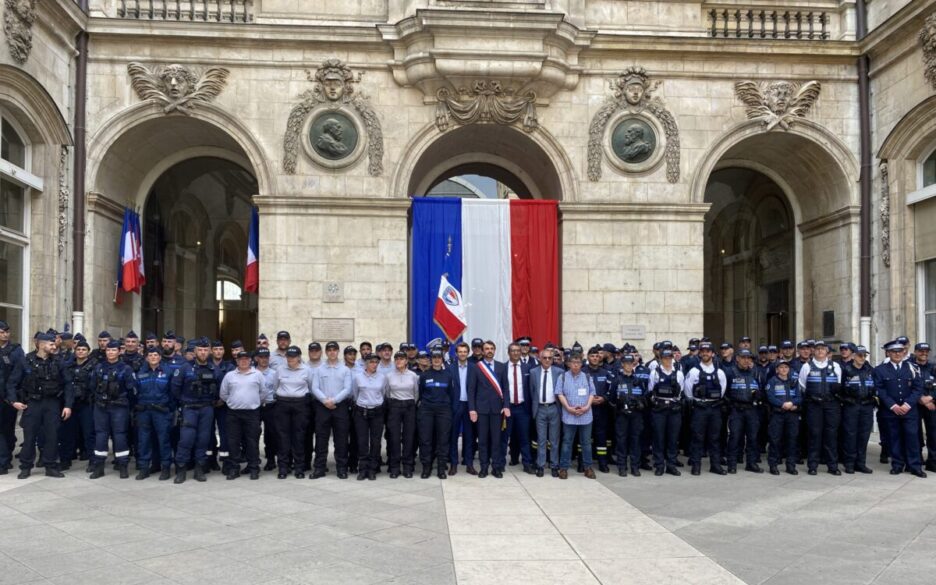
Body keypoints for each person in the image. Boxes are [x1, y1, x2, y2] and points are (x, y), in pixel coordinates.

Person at [6, 332, 72, 478]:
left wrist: (68, 405)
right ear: (41, 344)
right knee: (29, 436)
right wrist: (14, 401)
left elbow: (68, 384)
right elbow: (12, 383)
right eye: (51, 344)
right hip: (33, 403)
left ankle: (51, 465)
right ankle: (26, 467)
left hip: (52, 403)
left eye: (54, 344)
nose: (54, 347)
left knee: (52, 435)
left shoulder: (58, 361)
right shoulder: (25, 361)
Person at [873, 341, 926, 477]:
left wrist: (907, 405)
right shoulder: (880, 370)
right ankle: (897, 465)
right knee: (894, 438)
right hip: (891, 411)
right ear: (888, 353)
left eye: (899, 351)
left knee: (912, 438)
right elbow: (880, 390)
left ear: (904, 352)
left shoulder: (913, 368)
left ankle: (914, 466)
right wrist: (893, 406)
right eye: (893, 351)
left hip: (910, 410)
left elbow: (918, 388)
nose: (897, 354)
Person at [173, 339, 222, 484]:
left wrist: (216, 401)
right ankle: (181, 469)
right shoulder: (185, 368)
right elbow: (175, 388)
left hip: (207, 408)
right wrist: (183, 401)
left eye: (205, 350)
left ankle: (199, 469)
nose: (203, 352)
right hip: (189, 408)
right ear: (195, 351)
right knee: (186, 439)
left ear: (209, 352)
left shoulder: (215, 369)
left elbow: (221, 389)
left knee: (203, 440)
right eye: (200, 350)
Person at [219, 350, 272, 480]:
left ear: (250, 361)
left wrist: (253, 401)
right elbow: (223, 394)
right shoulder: (229, 375)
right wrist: (234, 401)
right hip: (233, 413)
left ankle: (254, 467)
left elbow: (263, 392)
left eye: (246, 359)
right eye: (240, 359)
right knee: (233, 442)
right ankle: (234, 468)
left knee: (252, 441)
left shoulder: (257, 374)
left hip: (252, 413)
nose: (243, 361)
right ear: (236, 361)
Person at [89, 339, 136, 479]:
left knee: (120, 435)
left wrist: (128, 406)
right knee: (101, 436)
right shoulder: (99, 367)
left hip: (119, 407)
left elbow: (131, 390)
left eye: (113, 350)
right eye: (108, 350)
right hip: (101, 407)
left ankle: (122, 466)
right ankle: (99, 467)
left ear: (119, 351)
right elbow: (92, 386)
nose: (110, 352)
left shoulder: (125, 368)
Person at [309, 341, 353, 479]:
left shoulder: (345, 370)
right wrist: (325, 401)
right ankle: (319, 468)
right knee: (321, 439)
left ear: (338, 351)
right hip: (322, 407)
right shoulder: (319, 370)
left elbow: (347, 389)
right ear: (326, 352)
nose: (332, 352)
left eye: (334, 350)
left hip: (340, 407)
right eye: (329, 350)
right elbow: (314, 388)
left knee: (341, 439)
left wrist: (334, 401)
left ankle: (341, 468)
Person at [798, 340, 843, 475]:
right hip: (814, 405)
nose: (820, 351)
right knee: (814, 435)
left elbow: (838, 384)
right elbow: (802, 386)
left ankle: (832, 466)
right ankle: (813, 465)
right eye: (817, 349)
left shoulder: (835, 366)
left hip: (831, 405)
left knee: (831, 435)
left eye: (823, 349)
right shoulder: (807, 366)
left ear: (827, 351)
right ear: (813, 351)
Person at [682, 342, 727, 475]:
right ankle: (696, 465)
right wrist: (698, 402)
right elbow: (688, 390)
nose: (705, 353)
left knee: (715, 438)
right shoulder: (694, 371)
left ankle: (715, 465)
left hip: (715, 408)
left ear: (713, 353)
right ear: (700, 353)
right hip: (699, 408)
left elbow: (722, 391)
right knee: (697, 437)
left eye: (708, 351)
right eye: (703, 351)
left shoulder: (720, 372)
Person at [468, 340, 510, 478]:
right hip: (482, 410)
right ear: (483, 350)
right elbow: (471, 389)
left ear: (495, 350)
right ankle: (484, 467)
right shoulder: (476, 367)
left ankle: (496, 467)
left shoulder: (501, 367)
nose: (489, 350)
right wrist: (472, 409)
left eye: (492, 348)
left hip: (497, 410)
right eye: (487, 348)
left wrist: (506, 406)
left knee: (496, 440)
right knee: (483, 441)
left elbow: (505, 388)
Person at [133, 347, 176, 481]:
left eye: (155, 355)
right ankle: (144, 468)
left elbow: (173, 393)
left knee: (163, 441)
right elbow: (134, 392)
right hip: (144, 411)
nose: (153, 357)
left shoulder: (168, 372)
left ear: (160, 357)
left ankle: (165, 468)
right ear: (146, 357)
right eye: (150, 355)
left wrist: (170, 409)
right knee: (143, 441)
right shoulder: (140, 372)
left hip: (161, 411)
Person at [273, 345, 314, 479]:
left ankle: (299, 468)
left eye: (293, 357)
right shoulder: (280, 369)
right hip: (283, 404)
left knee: (299, 437)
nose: (290, 359)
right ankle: (283, 468)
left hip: (300, 405)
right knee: (283, 437)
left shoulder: (307, 370)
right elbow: (275, 386)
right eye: (288, 357)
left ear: (299, 357)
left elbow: (311, 387)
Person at [556, 353, 596, 479]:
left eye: (578, 362)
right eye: (573, 362)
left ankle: (588, 468)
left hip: (585, 416)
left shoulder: (587, 377)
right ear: (568, 363)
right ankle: (563, 468)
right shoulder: (562, 377)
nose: (575, 365)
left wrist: (586, 407)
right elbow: (559, 393)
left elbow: (592, 394)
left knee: (586, 443)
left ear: (581, 364)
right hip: (569, 416)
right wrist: (568, 407)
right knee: (567, 442)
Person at [59, 338, 96, 472]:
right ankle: (65, 460)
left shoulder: (94, 366)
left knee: (89, 434)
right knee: (67, 433)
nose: (80, 352)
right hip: (70, 404)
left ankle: (93, 461)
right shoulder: (67, 365)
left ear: (88, 352)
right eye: (78, 349)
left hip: (86, 404)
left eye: (83, 350)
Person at [725, 349, 764, 474]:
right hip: (736, 410)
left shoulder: (755, 372)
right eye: (743, 357)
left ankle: (751, 463)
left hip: (752, 409)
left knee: (753, 437)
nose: (746, 360)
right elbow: (724, 392)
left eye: (749, 358)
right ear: (737, 358)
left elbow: (762, 390)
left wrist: (759, 395)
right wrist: (730, 405)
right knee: (734, 437)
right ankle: (732, 464)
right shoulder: (730, 372)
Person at [418, 349, 455, 479]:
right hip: (427, 410)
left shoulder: (448, 375)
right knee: (426, 440)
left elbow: (451, 393)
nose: (437, 359)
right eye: (434, 357)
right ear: (431, 359)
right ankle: (426, 468)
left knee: (443, 440)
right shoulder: (424, 375)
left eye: (439, 357)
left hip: (444, 410)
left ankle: (441, 469)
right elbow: (421, 393)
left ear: (442, 359)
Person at [648, 349, 685, 476]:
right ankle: (659, 465)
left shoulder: (679, 374)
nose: (668, 360)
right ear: (661, 359)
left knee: (673, 438)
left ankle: (671, 465)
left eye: (670, 357)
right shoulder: (655, 373)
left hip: (674, 409)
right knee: (658, 438)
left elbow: (681, 392)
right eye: (665, 357)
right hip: (659, 409)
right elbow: (651, 390)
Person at [352, 353, 389, 480]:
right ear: (366, 364)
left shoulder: (382, 377)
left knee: (375, 442)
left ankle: (372, 469)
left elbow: (384, 393)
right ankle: (362, 469)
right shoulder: (358, 377)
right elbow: (355, 394)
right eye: (371, 362)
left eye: (376, 362)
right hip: (361, 411)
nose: (374, 365)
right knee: (362, 442)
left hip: (377, 412)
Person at [840, 346, 876, 474]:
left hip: (866, 406)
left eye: (864, 356)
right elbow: (839, 389)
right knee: (850, 435)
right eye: (860, 355)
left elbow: (875, 387)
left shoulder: (869, 370)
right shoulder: (846, 370)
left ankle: (861, 463)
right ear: (854, 355)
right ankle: (849, 463)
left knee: (864, 435)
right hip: (852, 406)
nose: (862, 358)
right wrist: (846, 400)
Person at [610, 354, 647, 477]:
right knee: (621, 441)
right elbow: (611, 399)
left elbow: (645, 396)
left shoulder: (638, 380)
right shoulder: (617, 380)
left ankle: (635, 467)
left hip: (636, 415)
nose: (628, 366)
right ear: (622, 364)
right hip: (622, 415)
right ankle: (622, 467)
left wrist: (640, 403)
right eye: (626, 363)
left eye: (631, 363)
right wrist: (619, 405)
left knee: (635, 441)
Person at [530, 347, 563, 477]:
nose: (547, 360)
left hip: (554, 407)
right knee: (541, 439)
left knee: (554, 440)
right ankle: (541, 465)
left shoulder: (559, 372)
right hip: (540, 409)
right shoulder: (533, 372)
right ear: (540, 358)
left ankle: (555, 465)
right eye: (545, 358)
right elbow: (531, 391)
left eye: (550, 358)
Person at [764, 360, 801, 475]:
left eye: (786, 367)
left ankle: (790, 466)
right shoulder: (772, 381)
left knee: (792, 440)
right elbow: (770, 397)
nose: (784, 369)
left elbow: (800, 397)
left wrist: (792, 404)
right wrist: (782, 404)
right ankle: (773, 465)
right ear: (777, 370)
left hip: (792, 415)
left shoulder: (794, 382)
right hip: (777, 414)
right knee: (775, 440)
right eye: (781, 367)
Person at [385, 350, 418, 478]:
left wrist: (409, 403)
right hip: (394, 406)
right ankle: (394, 467)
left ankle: (407, 467)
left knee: (408, 437)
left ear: (406, 361)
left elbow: (416, 393)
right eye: (397, 358)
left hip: (409, 406)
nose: (399, 361)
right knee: (394, 437)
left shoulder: (413, 375)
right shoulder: (389, 376)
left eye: (401, 358)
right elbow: (387, 392)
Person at [503, 342, 534, 473]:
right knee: (504, 438)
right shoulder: (502, 368)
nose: (515, 353)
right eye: (513, 351)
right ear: (508, 353)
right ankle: (499, 464)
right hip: (507, 408)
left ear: (521, 352)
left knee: (524, 438)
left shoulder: (528, 368)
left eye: (517, 350)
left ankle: (527, 464)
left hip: (523, 408)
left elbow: (531, 389)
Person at [0, 320, 26, 470]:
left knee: (7, 428)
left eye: (7, 332)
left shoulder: (15, 350)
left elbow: (19, 373)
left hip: (9, 396)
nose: (5, 335)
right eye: (2, 332)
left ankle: (6, 455)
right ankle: (3, 460)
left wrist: (14, 396)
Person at [583, 346, 613, 473]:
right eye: (592, 356)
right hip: (586, 409)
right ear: (588, 357)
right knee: (585, 438)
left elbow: (611, 390)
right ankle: (582, 463)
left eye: (596, 356)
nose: (594, 358)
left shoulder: (606, 373)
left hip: (602, 409)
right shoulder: (582, 372)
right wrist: (588, 401)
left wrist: (604, 398)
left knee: (601, 437)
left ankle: (602, 463)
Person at [448, 342, 476, 475]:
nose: (463, 353)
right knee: (453, 436)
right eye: (460, 351)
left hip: (469, 406)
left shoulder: (474, 367)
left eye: (465, 351)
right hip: (455, 405)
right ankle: (453, 464)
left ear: (468, 353)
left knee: (469, 436)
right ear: (456, 353)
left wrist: (474, 407)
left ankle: (469, 464)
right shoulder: (450, 368)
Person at [254, 348, 279, 470]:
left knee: (271, 435)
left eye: (266, 357)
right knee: (253, 434)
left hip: (270, 406)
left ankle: (270, 459)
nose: (264, 360)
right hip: (255, 407)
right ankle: (254, 460)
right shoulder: (251, 373)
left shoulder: (275, 374)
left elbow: (277, 390)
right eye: (261, 357)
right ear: (256, 358)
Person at [912, 343, 936, 472]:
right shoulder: (910, 367)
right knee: (915, 434)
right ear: (915, 352)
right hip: (915, 405)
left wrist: (931, 399)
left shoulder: (933, 367)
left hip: (932, 405)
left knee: (933, 434)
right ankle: (917, 459)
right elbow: (907, 386)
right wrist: (920, 399)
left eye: (926, 351)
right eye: (921, 351)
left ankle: (932, 461)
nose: (924, 353)